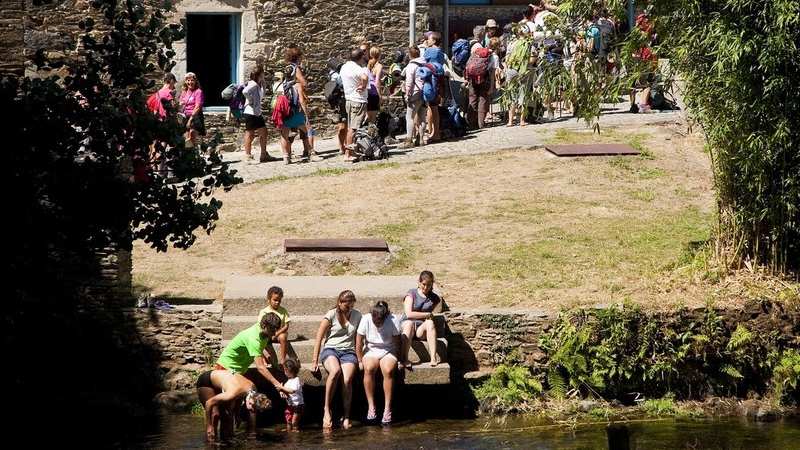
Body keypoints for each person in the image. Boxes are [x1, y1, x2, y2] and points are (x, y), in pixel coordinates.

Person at [216, 312, 284, 435]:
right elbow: (260, 368)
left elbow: (261, 349)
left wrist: (274, 364)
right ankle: (226, 436)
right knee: (229, 406)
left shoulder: (261, 331)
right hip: (227, 367)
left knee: (254, 397)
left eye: (275, 330)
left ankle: (252, 431)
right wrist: (277, 384)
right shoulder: (253, 338)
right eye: (272, 330)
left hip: (241, 369)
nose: (274, 334)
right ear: (264, 326)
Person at [310, 289, 362, 429]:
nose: (349, 309)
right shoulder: (331, 315)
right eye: (346, 306)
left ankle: (346, 416)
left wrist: (360, 358)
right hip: (331, 350)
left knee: (347, 380)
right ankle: (327, 409)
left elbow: (359, 338)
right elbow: (319, 337)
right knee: (335, 371)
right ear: (339, 303)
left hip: (348, 352)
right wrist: (314, 360)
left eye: (351, 306)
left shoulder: (357, 315)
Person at [355, 300, 402, 426]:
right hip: (371, 350)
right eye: (376, 321)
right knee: (369, 368)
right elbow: (359, 341)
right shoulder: (366, 319)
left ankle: (387, 409)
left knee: (388, 370)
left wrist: (400, 360)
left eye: (380, 322)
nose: (378, 324)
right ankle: (371, 406)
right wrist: (359, 360)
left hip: (388, 350)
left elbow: (398, 342)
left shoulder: (393, 320)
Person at [196, 369, 272, 442]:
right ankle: (211, 442)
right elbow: (209, 403)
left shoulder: (253, 390)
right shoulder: (233, 393)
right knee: (215, 414)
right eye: (252, 410)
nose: (252, 411)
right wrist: (209, 425)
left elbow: (240, 398)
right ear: (250, 403)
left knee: (227, 417)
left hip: (224, 384)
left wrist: (237, 415)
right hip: (207, 381)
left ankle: (225, 443)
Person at [279, 47, 316, 164]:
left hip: (285, 109)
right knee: (309, 130)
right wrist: (306, 114)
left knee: (284, 133)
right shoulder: (296, 73)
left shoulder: (286, 72)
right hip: (295, 109)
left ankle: (286, 157)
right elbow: (303, 88)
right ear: (298, 57)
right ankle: (311, 153)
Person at [399, 270, 442, 369]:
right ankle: (404, 358)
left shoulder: (435, 299)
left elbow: (429, 317)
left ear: (432, 284)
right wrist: (427, 314)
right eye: (423, 284)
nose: (425, 288)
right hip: (407, 325)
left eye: (428, 285)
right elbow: (409, 314)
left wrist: (428, 317)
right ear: (419, 282)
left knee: (430, 323)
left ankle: (433, 357)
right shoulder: (411, 293)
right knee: (409, 324)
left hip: (420, 328)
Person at [242, 65, 278, 163]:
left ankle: (263, 154)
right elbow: (245, 91)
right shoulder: (253, 84)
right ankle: (248, 156)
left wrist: (263, 81)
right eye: (263, 74)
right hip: (250, 112)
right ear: (261, 74)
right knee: (250, 134)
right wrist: (251, 101)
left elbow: (263, 93)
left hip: (257, 113)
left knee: (264, 132)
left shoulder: (258, 85)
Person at [339, 48, 369, 161]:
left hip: (349, 99)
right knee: (354, 128)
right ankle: (348, 153)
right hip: (357, 100)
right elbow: (364, 77)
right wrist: (363, 86)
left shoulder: (344, 67)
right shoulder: (357, 68)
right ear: (360, 58)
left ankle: (351, 151)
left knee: (350, 127)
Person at [467, 30, 499, 130]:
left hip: (473, 78)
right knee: (482, 99)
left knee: (472, 99)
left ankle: (470, 124)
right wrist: (491, 87)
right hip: (484, 79)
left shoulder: (480, 51)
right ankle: (480, 124)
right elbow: (492, 73)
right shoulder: (494, 57)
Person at [399, 45, 427, 149]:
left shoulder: (411, 66)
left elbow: (409, 82)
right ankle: (421, 139)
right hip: (424, 92)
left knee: (409, 117)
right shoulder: (424, 63)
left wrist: (407, 94)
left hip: (415, 93)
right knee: (422, 117)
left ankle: (409, 140)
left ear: (410, 55)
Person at [258, 286, 291, 366]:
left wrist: (277, 334)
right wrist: (269, 334)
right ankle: (264, 359)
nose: (277, 302)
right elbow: (261, 325)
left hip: (279, 333)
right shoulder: (264, 311)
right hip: (268, 333)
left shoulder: (283, 311)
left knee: (283, 337)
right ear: (269, 298)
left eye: (279, 300)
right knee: (262, 337)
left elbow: (286, 326)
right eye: (275, 300)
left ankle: (283, 359)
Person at [275, 358, 304, 432]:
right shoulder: (288, 381)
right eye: (285, 370)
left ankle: (295, 432)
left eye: (287, 370)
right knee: (288, 420)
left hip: (298, 405)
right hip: (290, 404)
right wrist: (282, 392)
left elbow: (291, 391)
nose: (286, 372)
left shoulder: (296, 380)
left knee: (294, 422)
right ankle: (289, 431)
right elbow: (286, 392)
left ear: (293, 370)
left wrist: (282, 388)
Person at [178, 72, 205, 148]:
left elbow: (197, 107)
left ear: (195, 81)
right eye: (188, 80)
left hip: (195, 116)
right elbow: (181, 104)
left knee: (192, 138)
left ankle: (196, 154)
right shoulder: (184, 92)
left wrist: (190, 120)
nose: (190, 82)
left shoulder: (198, 92)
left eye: (192, 80)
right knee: (186, 140)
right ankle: (188, 154)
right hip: (186, 116)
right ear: (185, 81)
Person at [366, 46, 385, 125]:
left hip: (368, 91)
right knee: (373, 118)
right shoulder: (379, 66)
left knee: (368, 115)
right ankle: (371, 132)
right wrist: (380, 97)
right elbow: (377, 82)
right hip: (374, 92)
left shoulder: (369, 64)